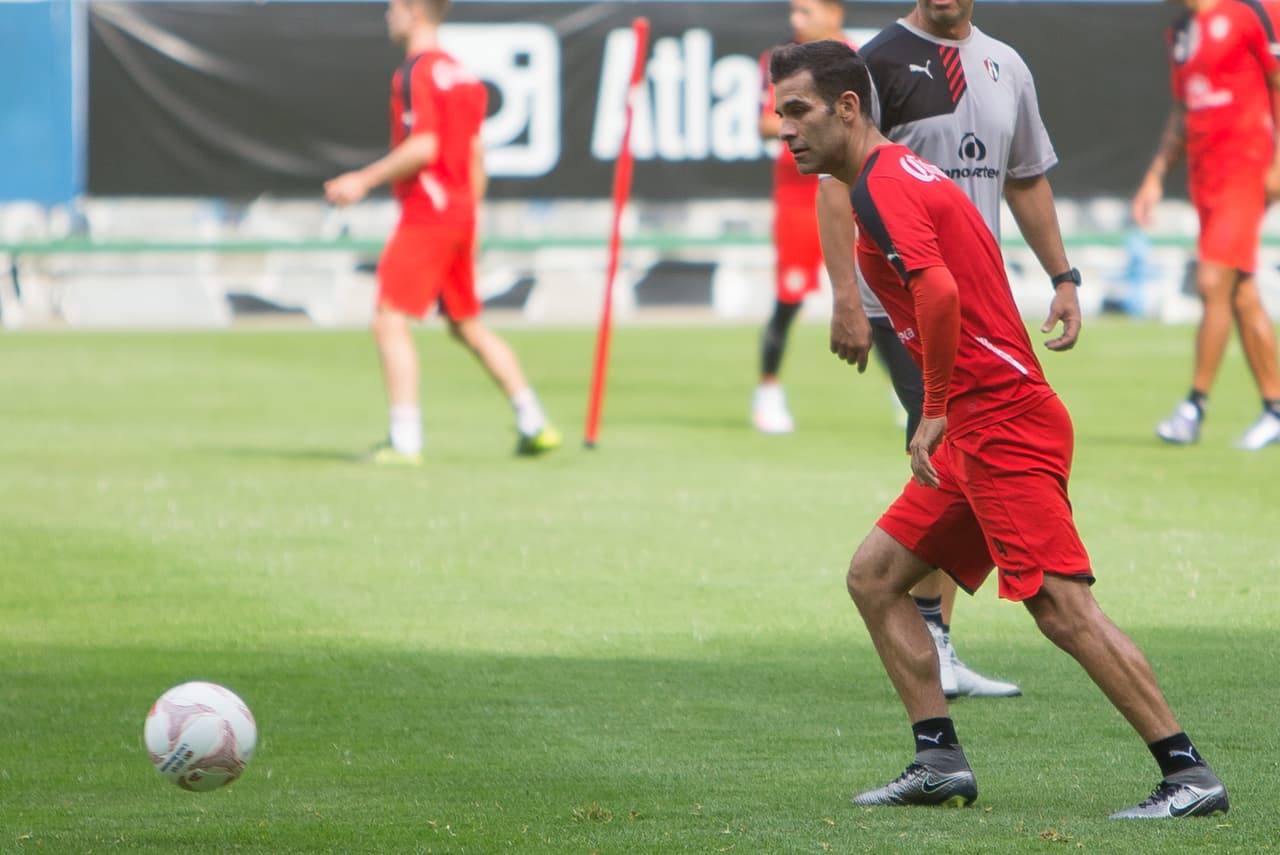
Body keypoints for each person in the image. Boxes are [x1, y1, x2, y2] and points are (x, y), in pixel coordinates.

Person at [772, 38, 1228, 817]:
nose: (785, 129)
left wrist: (938, 407)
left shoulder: (882, 186)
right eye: (780, 112)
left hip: (999, 422)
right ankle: (937, 758)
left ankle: (1188, 773)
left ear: (848, 108)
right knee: (875, 576)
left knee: (1060, 607)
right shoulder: (892, 175)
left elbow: (940, 293)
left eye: (798, 111)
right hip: (983, 422)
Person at [816, 0, 1082, 699]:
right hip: (906, 301)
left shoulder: (1007, 65)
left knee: (954, 455)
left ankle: (933, 639)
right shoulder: (875, 61)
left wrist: (1062, 275)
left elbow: (1025, 176)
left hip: (979, 304)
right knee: (942, 440)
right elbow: (837, 182)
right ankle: (935, 639)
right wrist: (846, 293)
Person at [325, 0, 560, 465]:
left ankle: (405, 439)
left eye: (393, 7)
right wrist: (468, 220)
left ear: (415, 11)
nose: (387, 15)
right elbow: (475, 156)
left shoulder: (416, 73)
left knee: (389, 319)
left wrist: (362, 180)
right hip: (461, 214)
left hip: (427, 212)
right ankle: (533, 421)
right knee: (467, 324)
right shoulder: (463, 75)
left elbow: (425, 144)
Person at [1133, 0, 1280, 450]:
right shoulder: (1179, 34)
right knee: (1240, 292)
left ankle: (1193, 406)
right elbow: (1183, 108)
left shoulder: (1252, 10)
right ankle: (1275, 409)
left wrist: (1277, 162)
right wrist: (1156, 174)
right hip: (1206, 179)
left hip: (1246, 169)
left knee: (1212, 279)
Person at [752, 0, 850, 434]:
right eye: (794, 11)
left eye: (806, 11)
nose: (796, 20)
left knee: (878, 293)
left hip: (848, 187)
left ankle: (908, 392)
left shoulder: (856, 58)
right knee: (789, 297)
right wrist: (817, 116)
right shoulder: (781, 62)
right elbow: (766, 123)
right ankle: (768, 392)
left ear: (834, 13)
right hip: (798, 192)